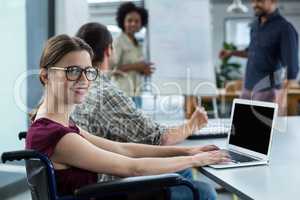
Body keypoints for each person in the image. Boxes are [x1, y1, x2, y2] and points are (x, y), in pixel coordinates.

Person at [26, 34, 229, 199]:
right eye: (72, 71)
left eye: (88, 71)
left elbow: (121, 148)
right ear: (46, 76)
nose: (84, 80)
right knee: (202, 191)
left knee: (186, 182)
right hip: (99, 194)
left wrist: (189, 151)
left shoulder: (57, 123)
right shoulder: (57, 135)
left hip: (98, 193)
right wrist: (194, 160)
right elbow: (133, 168)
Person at [72, 22, 219, 200]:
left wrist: (188, 154)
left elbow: (126, 145)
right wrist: (193, 125)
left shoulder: (75, 90)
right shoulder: (105, 93)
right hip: (107, 186)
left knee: (182, 170)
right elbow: (159, 140)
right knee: (204, 191)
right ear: (109, 50)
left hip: (88, 181)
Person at [219, 0, 299, 114]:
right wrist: (230, 53)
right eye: (253, 1)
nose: (254, 4)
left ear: (273, 1)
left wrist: (282, 95)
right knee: (241, 128)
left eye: (260, 1)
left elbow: (292, 68)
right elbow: (251, 52)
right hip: (247, 89)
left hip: (268, 91)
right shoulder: (255, 25)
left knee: (261, 131)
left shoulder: (285, 28)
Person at [110, 2, 154, 108]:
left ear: (141, 23)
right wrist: (136, 66)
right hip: (124, 93)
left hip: (137, 93)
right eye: (129, 20)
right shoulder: (118, 42)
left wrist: (143, 70)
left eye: (137, 21)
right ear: (123, 22)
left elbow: (137, 67)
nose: (133, 24)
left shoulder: (138, 44)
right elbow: (112, 70)